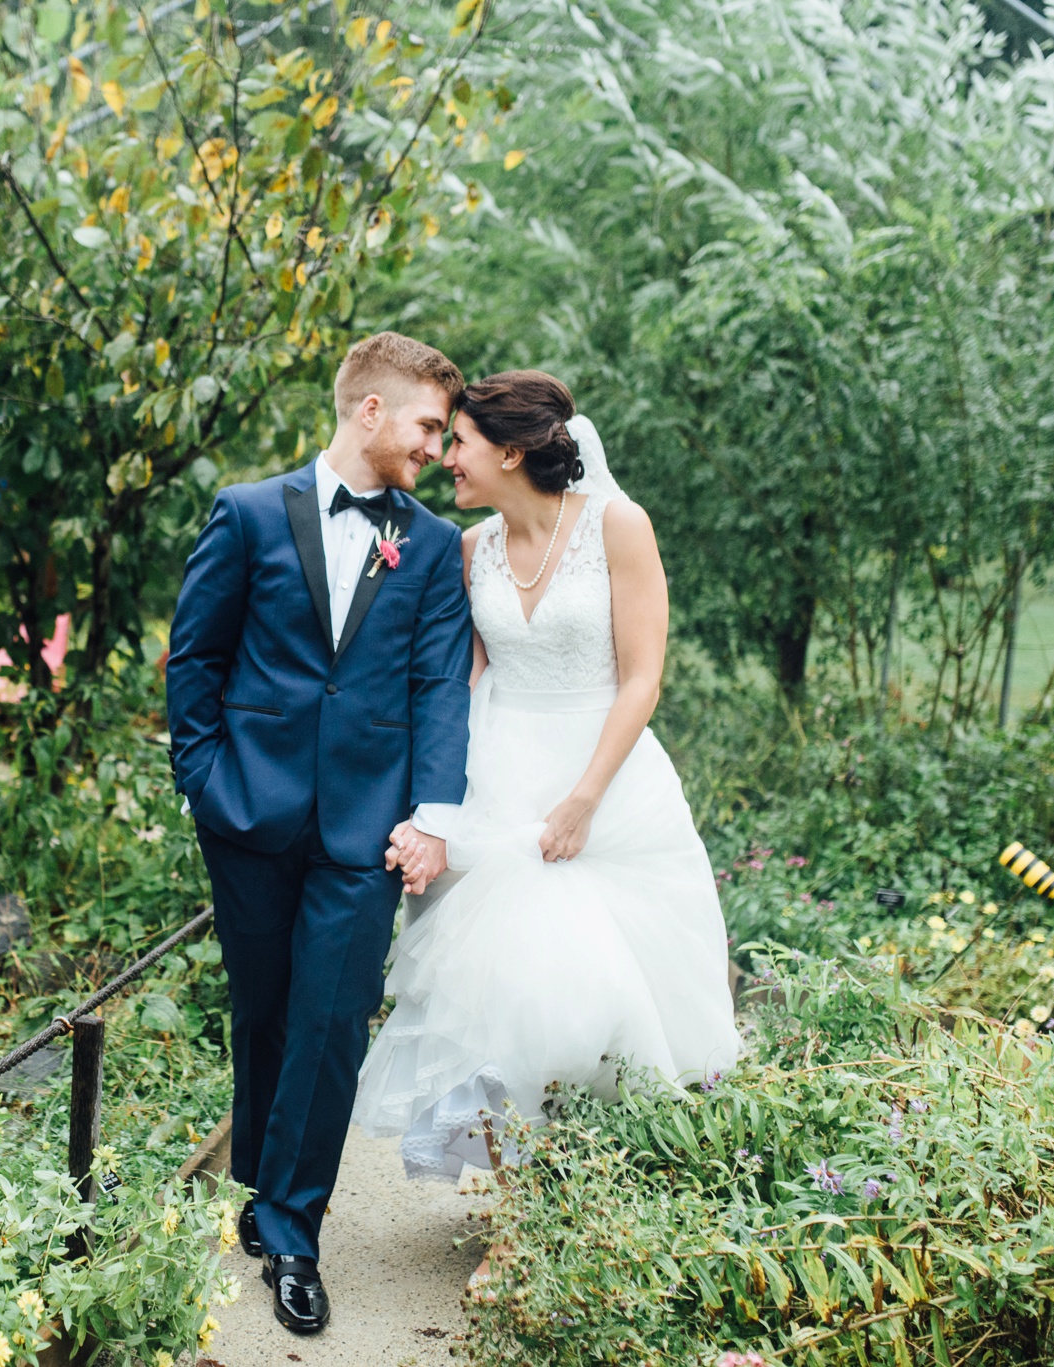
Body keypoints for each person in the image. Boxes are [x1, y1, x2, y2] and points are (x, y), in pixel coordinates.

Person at [356, 371, 740, 1227]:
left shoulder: (618, 527)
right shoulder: (471, 549)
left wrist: (583, 800)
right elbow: (464, 680)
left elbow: (642, 676)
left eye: (459, 443)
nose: (446, 457)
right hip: (503, 777)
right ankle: (523, 1216)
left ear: (511, 451)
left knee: (593, 1001)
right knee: (500, 1004)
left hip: (605, 778)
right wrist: (439, 813)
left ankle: (601, 1200)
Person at [165, 332, 472, 1335]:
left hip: (365, 828)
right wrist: (206, 785)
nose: (434, 445)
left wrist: (430, 816)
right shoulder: (248, 513)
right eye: (427, 424)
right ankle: (257, 1180)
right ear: (368, 411)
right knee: (260, 1014)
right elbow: (194, 660)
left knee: (330, 1022)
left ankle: (293, 1228)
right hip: (246, 813)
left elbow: (435, 684)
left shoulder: (426, 545)